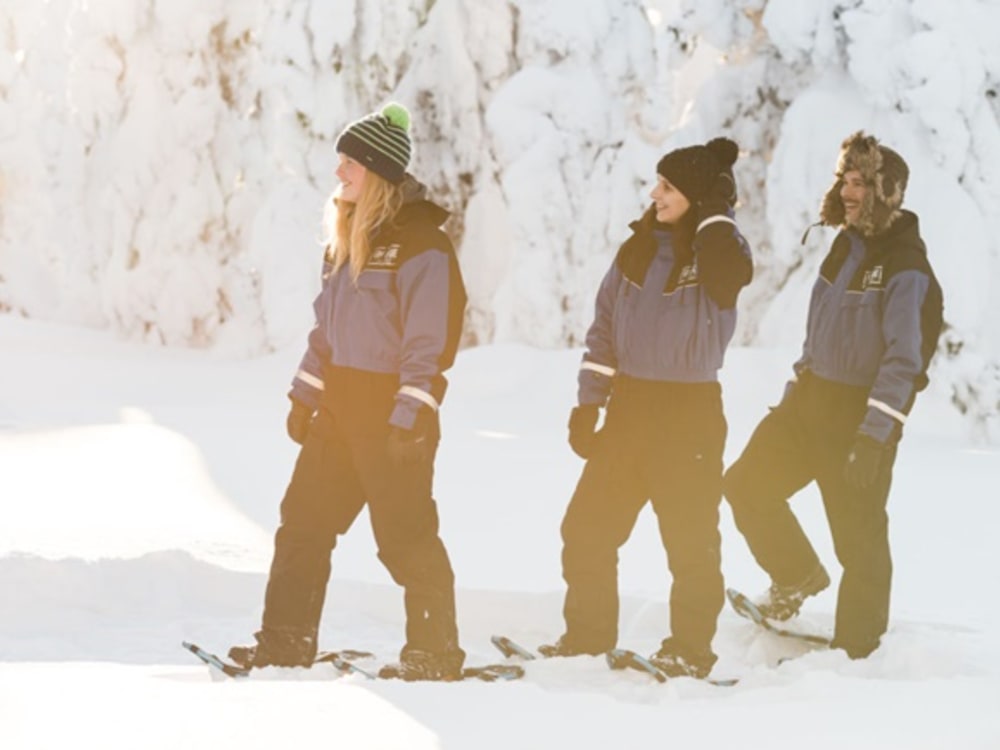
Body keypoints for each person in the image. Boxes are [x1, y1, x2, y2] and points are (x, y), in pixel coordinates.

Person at [231, 103, 469, 680]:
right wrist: (304, 395)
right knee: (303, 526)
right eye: (340, 161)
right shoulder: (345, 240)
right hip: (339, 411)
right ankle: (285, 642)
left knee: (404, 539)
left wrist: (411, 413)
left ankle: (433, 652)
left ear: (378, 172)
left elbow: (430, 339)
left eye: (349, 164)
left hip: (393, 416)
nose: (339, 173)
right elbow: (327, 331)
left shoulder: (423, 245)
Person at [723, 131, 943, 659]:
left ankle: (859, 651)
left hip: (858, 418)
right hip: (809, 404)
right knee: (745, 486)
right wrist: (799, 384)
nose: (847, 191)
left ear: (886, 191)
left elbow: (903, 361)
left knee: (858, 537)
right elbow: (822, 328)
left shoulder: (905, 266)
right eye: (844, 179)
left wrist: (874, 436)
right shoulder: (846, 246)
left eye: (861, 182)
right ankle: (797, 575)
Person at [544, 138, 753, 679]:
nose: (654, 194)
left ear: (696, 198)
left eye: (668, 186)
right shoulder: (636, 248)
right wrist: (589, 404)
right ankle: (587, 638)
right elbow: (603, 329)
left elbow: (730, 282)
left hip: (690, 414)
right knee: (586, 529)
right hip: (630, 410)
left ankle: (690, 649)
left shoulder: (721, 249)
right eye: (657, 183)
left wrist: (711, 216)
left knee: (690, 543)